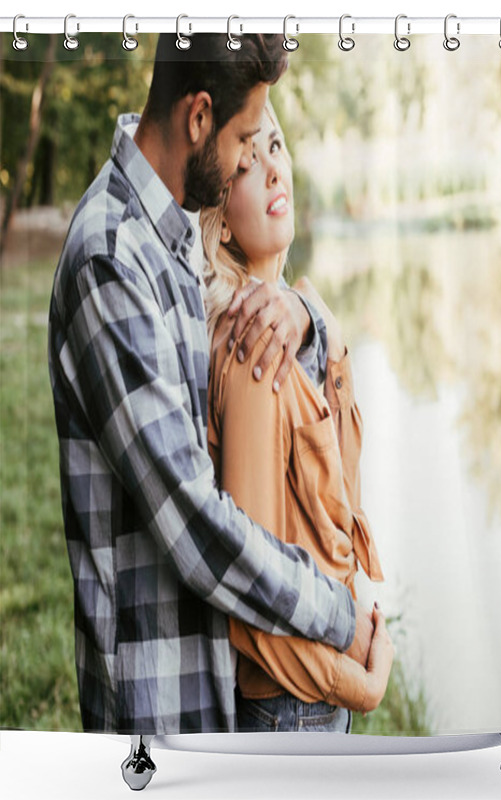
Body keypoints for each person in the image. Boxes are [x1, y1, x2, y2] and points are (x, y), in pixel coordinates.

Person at [47, 33, 374, 736]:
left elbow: (239, 294)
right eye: (243, 142)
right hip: (161, 708)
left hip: (218, 686)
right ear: (199, 118)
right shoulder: (111, 260)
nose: (242, 170)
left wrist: (306, 312)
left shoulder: (166, 237)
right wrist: (341, 618)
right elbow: (195, 521)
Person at [201, 102, 395, 733]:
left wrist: (314, 313)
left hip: (319, 686)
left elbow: (343, 511)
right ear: (221, 221)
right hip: (292, 702)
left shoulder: (299, 320)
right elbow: (253, 589)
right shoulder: (255, 348)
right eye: (246, 165)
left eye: (277, 147)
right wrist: (356, 682)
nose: (274, 172)